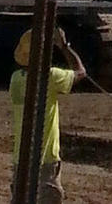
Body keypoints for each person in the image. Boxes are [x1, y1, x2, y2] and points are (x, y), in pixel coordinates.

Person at [10, 26, 85, 204]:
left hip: (20, 156)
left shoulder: (16, 79)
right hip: (46, 157)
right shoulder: (51, 77)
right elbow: (80, 72)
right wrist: (64, 46)